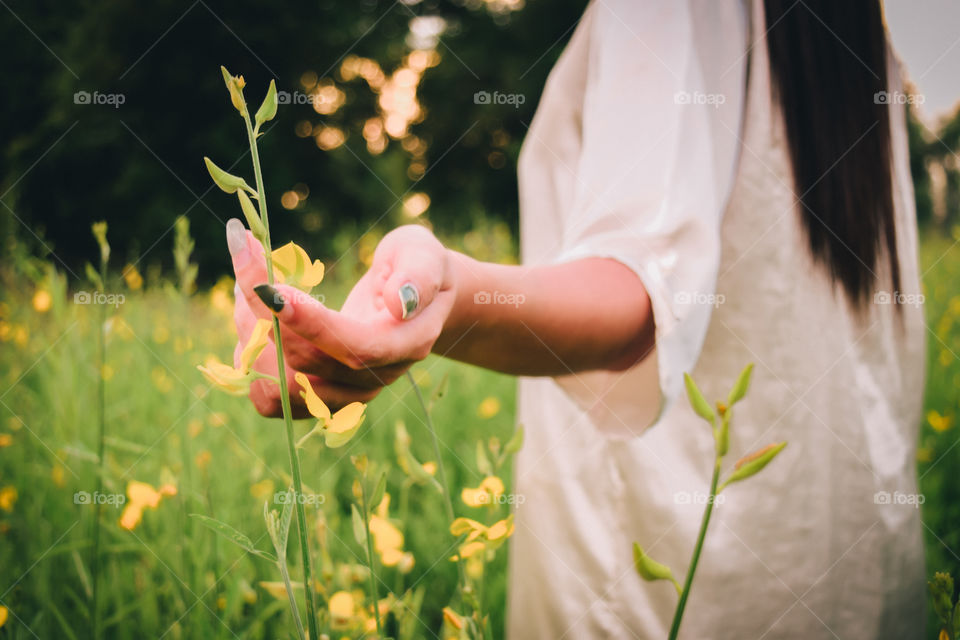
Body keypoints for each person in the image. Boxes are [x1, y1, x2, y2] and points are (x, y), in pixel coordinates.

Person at [224, 0, 926, 636]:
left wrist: (451, 297)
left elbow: (632, 295)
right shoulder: (857, 38)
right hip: (846, 560)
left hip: (664, 576)